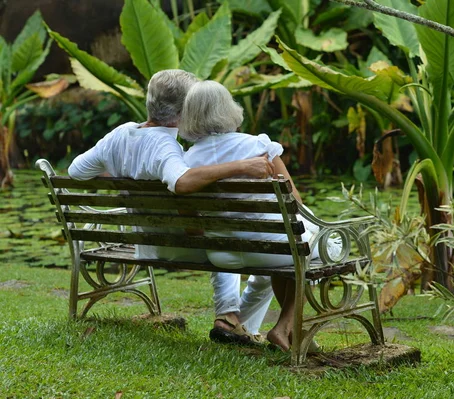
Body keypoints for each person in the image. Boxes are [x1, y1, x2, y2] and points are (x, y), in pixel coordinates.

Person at [68, 69, 275, 346]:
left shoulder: (119, 135)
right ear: (185, 109)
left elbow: (76, 170)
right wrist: (242, 165)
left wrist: (122, 179)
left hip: (145, 241)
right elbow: (182, 182)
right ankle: (229, 318)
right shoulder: (167, 147)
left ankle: (235, 324)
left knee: (225, 234)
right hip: (178, 244)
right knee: (238, 239)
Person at [179, 80, 340, 351]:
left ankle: (291, 332)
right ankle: (285, 327)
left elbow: (191, 222)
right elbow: (294, 203)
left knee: (293, 251)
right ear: (229, 109)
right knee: (326, 247)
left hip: (223, 253)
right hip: (274, 248)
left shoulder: (187, 161)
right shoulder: (258, 146)